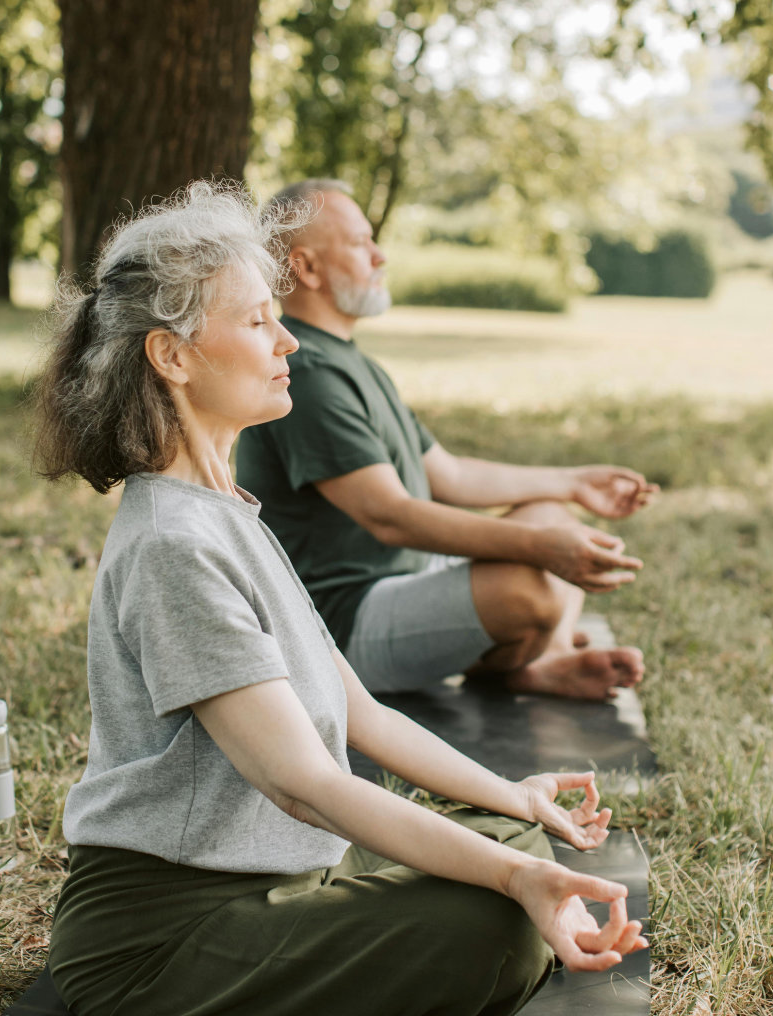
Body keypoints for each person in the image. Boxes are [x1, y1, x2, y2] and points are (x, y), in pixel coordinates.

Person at [34, 182, 646, 1016]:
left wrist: (515, 800)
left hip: (283, 879)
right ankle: (393, 1006)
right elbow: (305, 784)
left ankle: (386, 987)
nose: (287, 342)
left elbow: (365, 715)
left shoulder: (227, 513)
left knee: (513, 840)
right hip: (162, 938)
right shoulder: (173, 544)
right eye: (256, 322)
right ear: (171, 355)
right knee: (497, 920)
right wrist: (515, 880)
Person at [236, 179, 659, 700]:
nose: (379, 255)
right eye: (360, 243)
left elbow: (450, 475)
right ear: (307, 268)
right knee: (532, 587)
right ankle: (529, 657)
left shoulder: (351, 361)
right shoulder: (309, 373)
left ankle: (540, 663)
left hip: (406, 579)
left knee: (552, 515)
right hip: (340, 624)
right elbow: (389, 516)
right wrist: (540, 548)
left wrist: (573, 483)